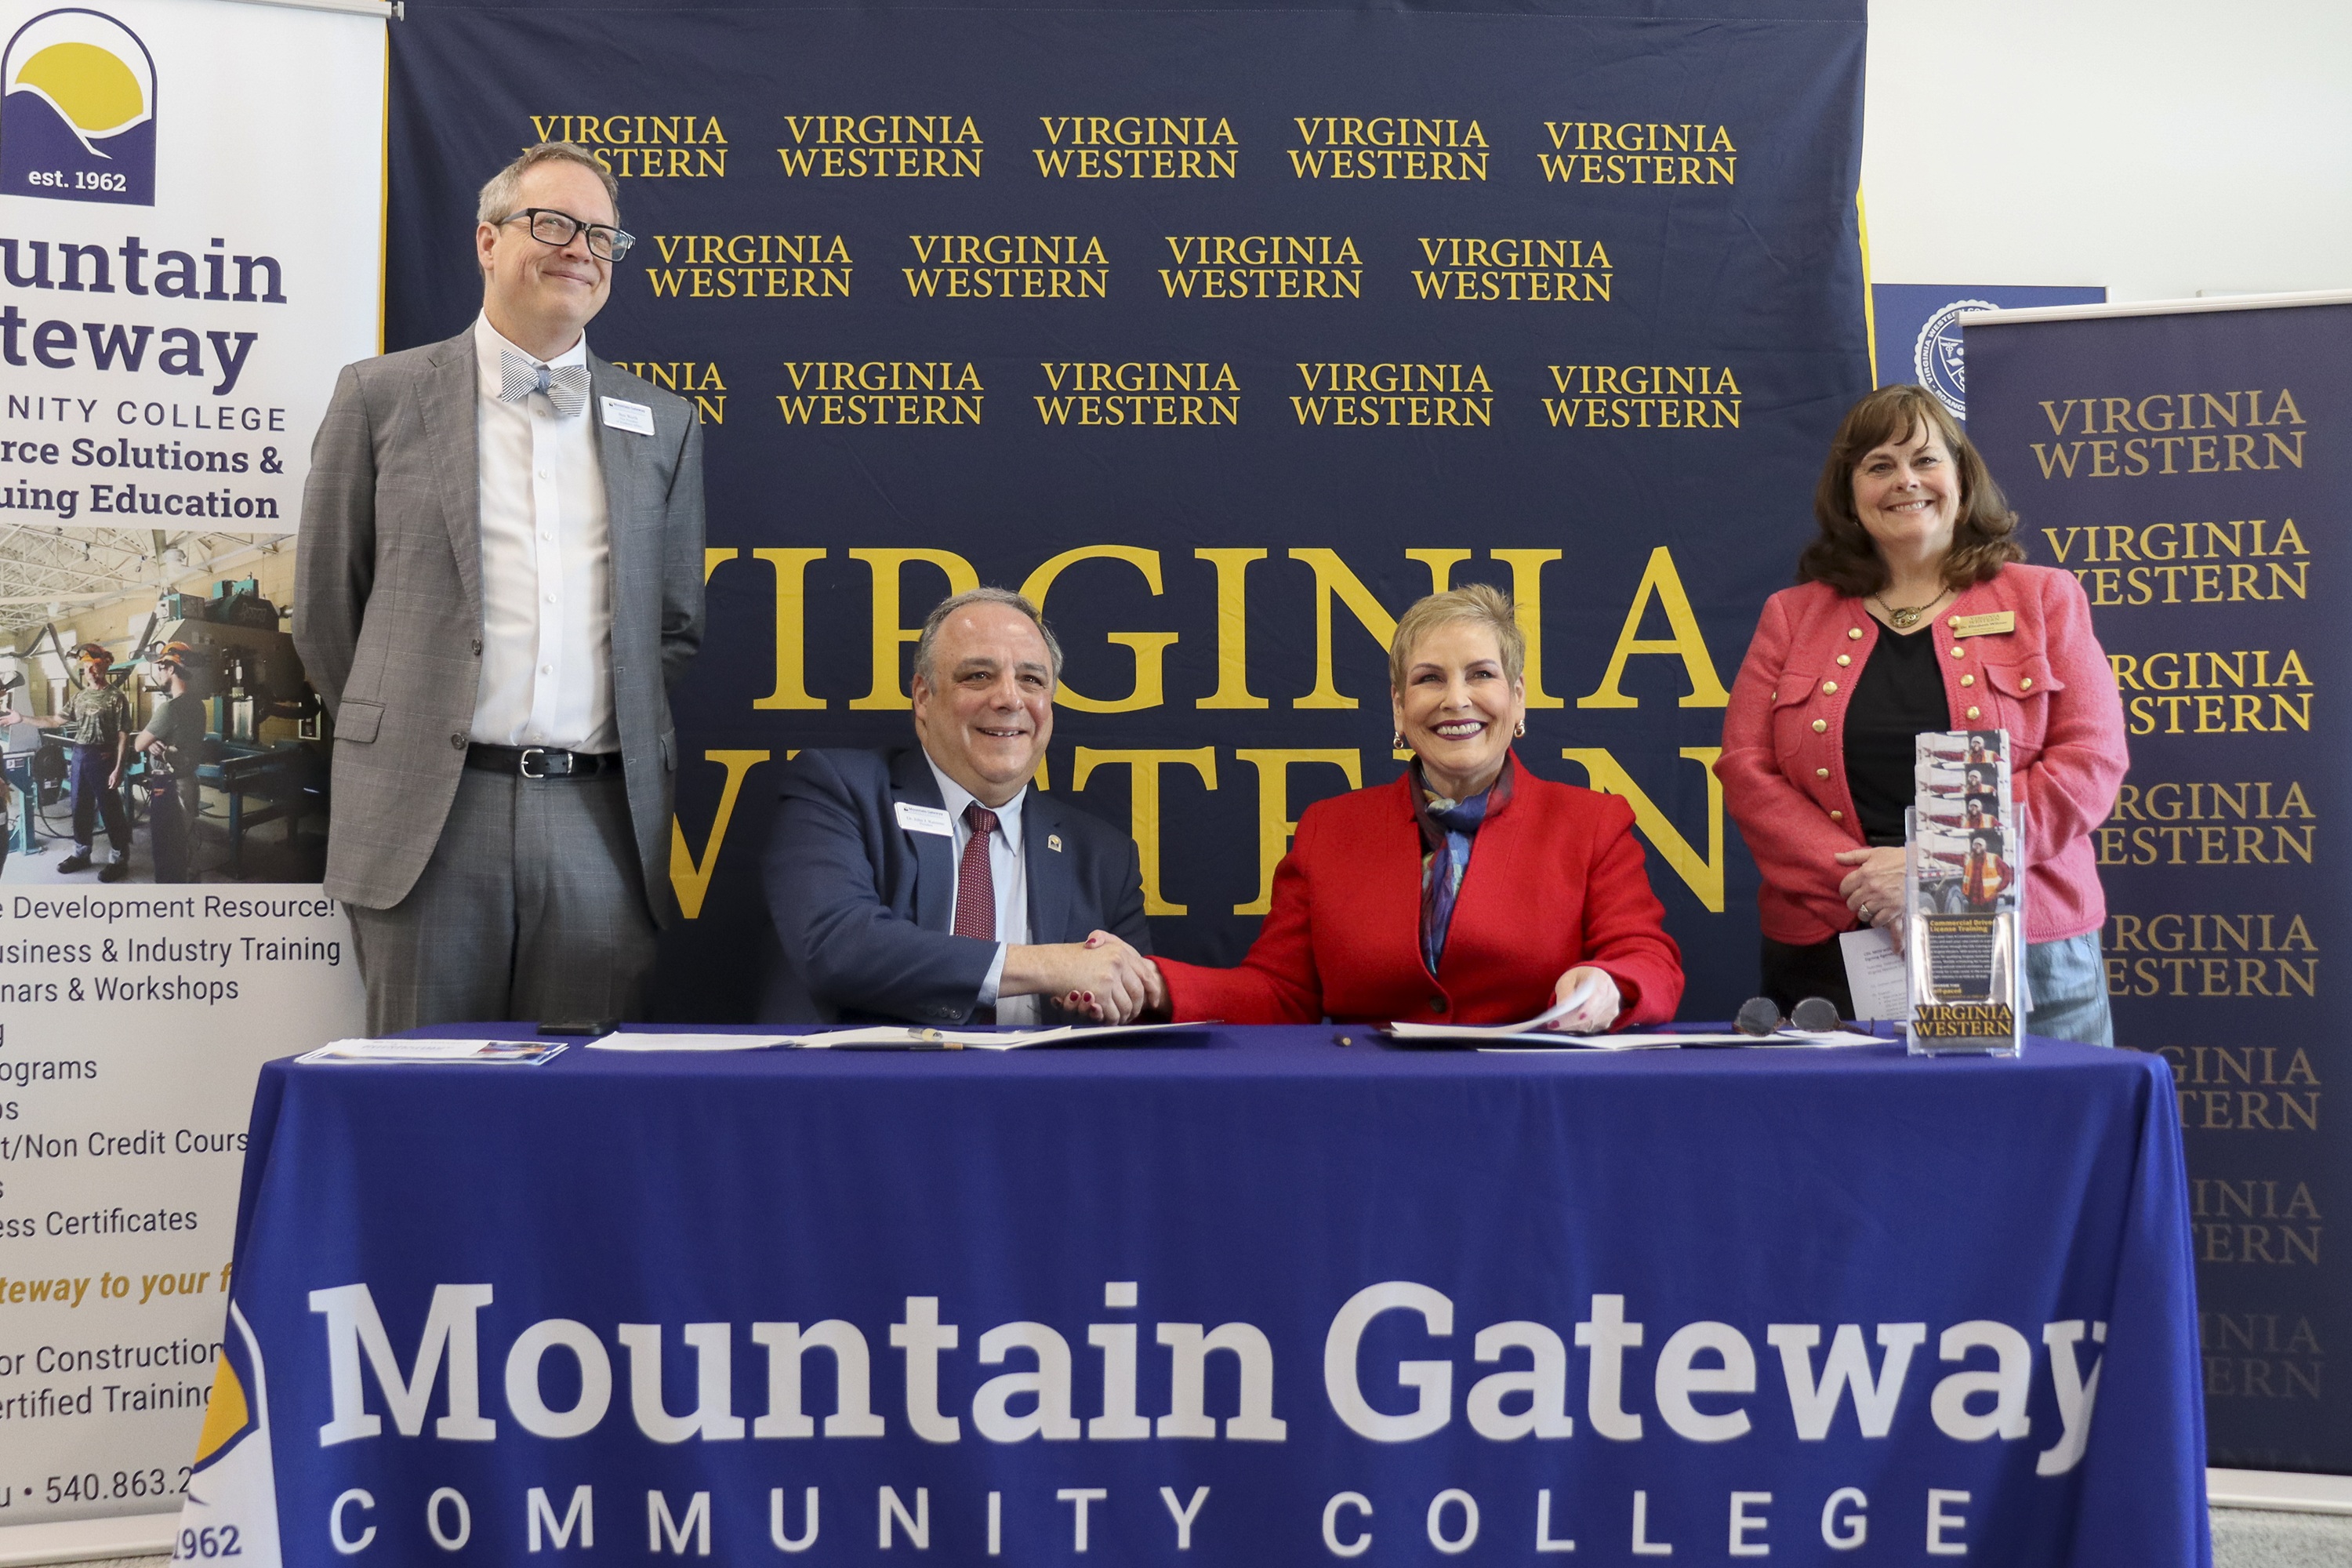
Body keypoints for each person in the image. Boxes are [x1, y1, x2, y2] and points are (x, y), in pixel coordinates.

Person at [296, 143, 705, 1034]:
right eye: (552, 224)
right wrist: (407, 723)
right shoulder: (379, 396)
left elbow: (672, 625)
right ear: (488, 241)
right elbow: (327, 611)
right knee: (422, 1092)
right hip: (429, 814)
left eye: (601, 235)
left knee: (580, 1097)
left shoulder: (664, 422)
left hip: (601, 821)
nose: (580, 249)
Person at [1716, 383, 2128, 1044]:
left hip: (2029, 946)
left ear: (1961, 476)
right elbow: (1748, 771)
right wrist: (1874, 885)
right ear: (1849, 493)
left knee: (2036, 1116)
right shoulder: (1791, 617)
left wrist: (1931, 870)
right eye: (1879, 465)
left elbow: (2089, 763)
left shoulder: (2045, 599)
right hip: (1834, 943)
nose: (1905, 480)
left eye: (1925, 459)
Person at [1140, 584, 1682, 1029]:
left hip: (1530, 1098)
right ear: (1399, 708)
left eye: (1481, 674)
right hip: (1368, 1105)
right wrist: (1154, 986)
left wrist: (1612, 985)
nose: (1456, 699)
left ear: (1518, 698)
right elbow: (1281, 993)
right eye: (1429, 679)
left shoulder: (1592, 825)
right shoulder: (1328, 829)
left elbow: (1650, 962)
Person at [768, 587, 1155, 1025]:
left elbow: (1134, 1016)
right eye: (978, 676)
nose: (1010, 699)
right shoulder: (839, 791)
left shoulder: (1104, 857)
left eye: (1031, 680)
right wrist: (1049, 966)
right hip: (870, 1070)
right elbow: (836, 945)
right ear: (923, 697)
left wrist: (1115, 999)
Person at [2, 643, 132, 882]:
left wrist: (118, 768)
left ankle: (119, 859)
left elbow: (123, 734)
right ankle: (82, 854)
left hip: (103, 757)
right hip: (80, 756)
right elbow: (54, 721)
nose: (90, 671)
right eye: (86, 667)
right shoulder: (79, 697)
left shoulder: (116, 697)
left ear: (104, 665)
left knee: (110, 809)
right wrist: (22, 719)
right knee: (79, 807)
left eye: (94, 666)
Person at [131, 643, 206, 884]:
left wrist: (153, 742)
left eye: (161, 668)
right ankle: (190, 883)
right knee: (186, 839)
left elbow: (139, 744)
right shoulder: (198, 705)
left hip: (170, 787)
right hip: (189, 782)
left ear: (171, 669)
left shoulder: (169, 709)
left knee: (169, 845)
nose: (159, 673)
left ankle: (173, 894)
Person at [1961, 832, 2013, 911]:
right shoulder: (1968, 859)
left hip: (1989, 899)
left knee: (1988, 918)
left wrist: (1999, 888)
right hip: (1973, 900)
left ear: (1984, 847)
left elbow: (2007, 872)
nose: (1977, 847)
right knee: (1973, 918)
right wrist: (1938, 855)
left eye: (1980, 845)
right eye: (1975, 845)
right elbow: (1951, 858)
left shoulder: (1994, 858)